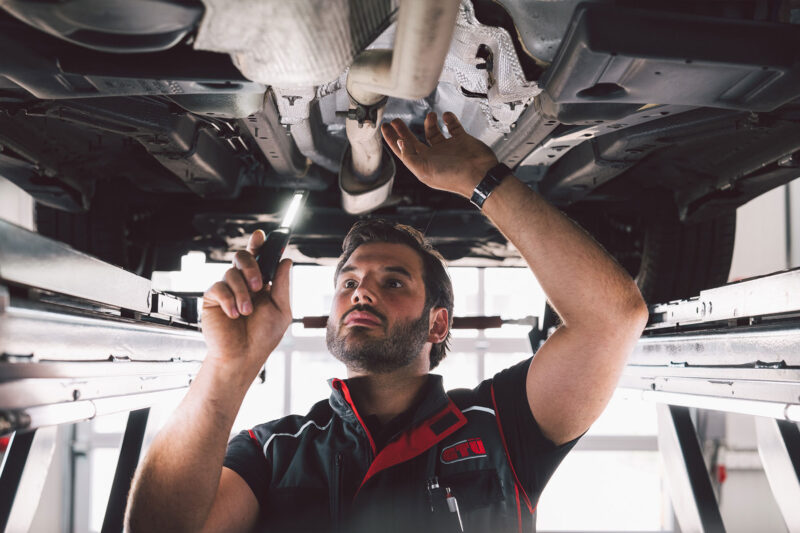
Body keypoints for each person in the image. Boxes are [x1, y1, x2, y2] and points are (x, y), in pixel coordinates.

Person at [126, 112, 649, 532]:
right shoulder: (272, 451)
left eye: (393, 281)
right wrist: (227, 367)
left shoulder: (503, 424)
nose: (363, 290)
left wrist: (483, 182)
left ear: (438, 324)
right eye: (348, 282)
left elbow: (612, 318)